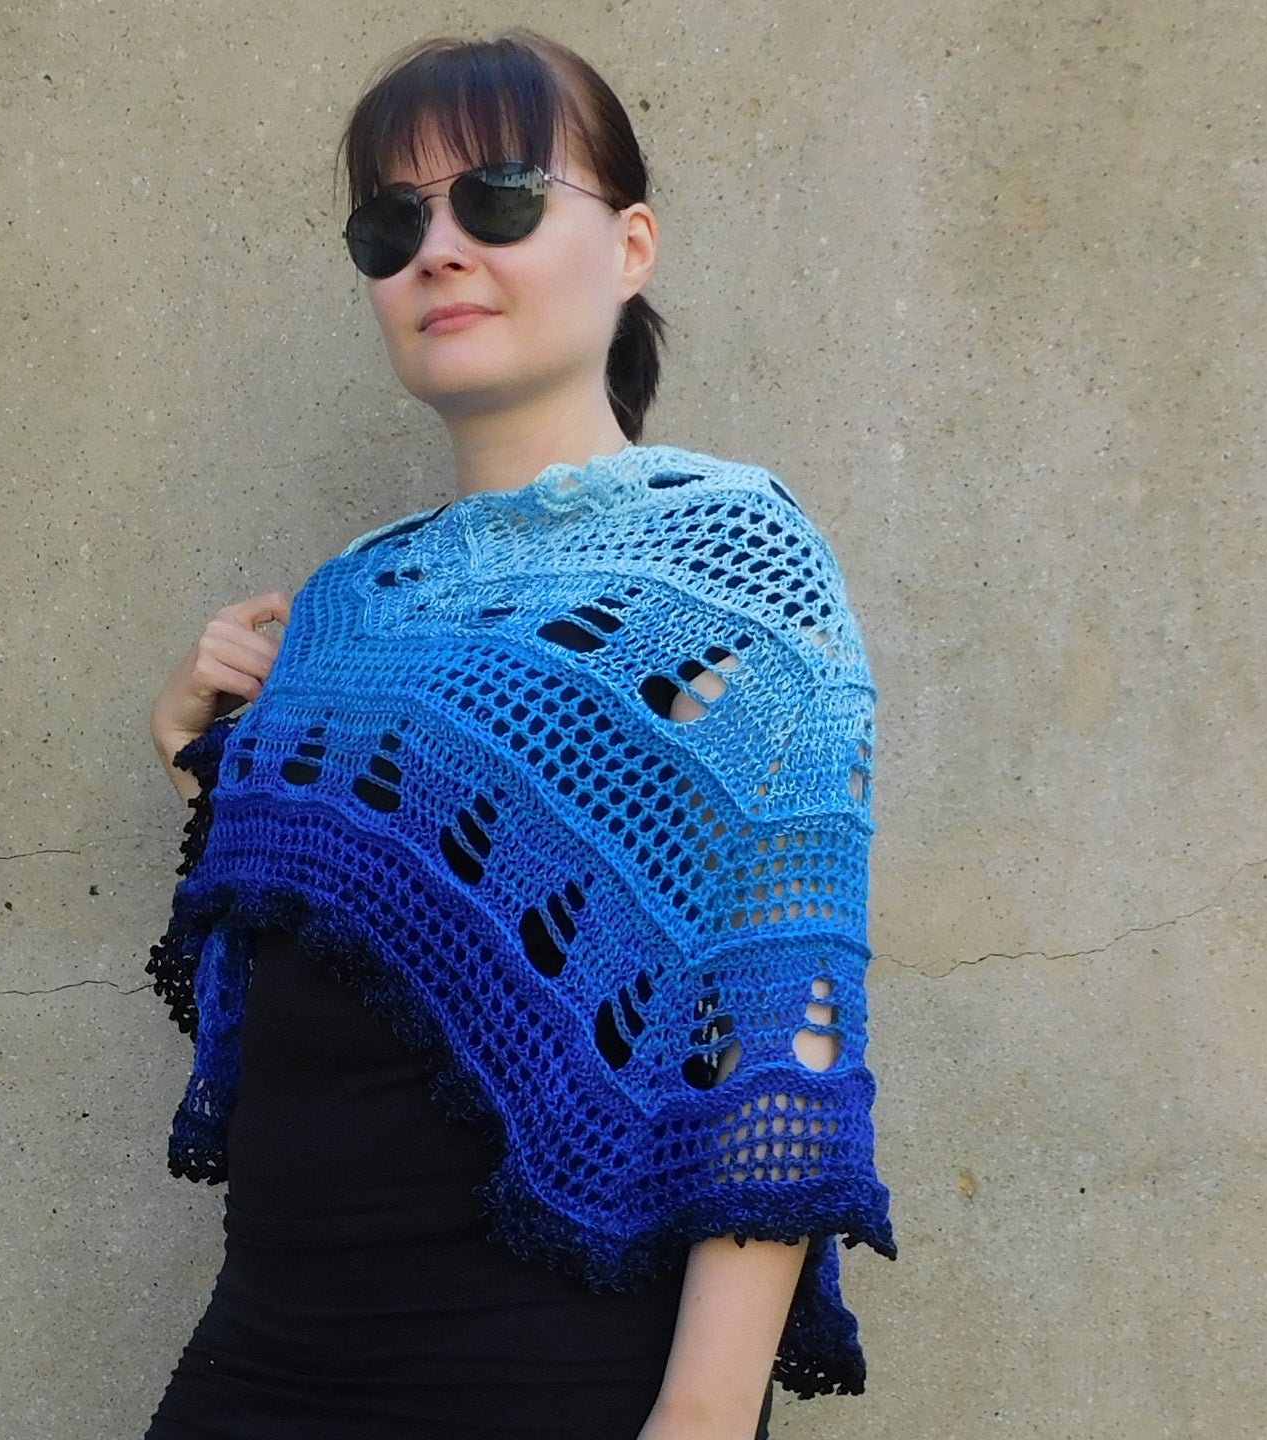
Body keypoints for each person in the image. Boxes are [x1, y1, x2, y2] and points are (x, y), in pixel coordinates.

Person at [140, 27, 893, 1440]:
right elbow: (346, 941)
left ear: (630, 246)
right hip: (267, 1355)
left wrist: (705, 1413)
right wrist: (204, 757)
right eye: (392, 223)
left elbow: (775, 1018)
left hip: (542, 1366)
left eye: (498, 199)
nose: (438, 251)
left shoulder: (725, 568)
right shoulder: (349, 600)